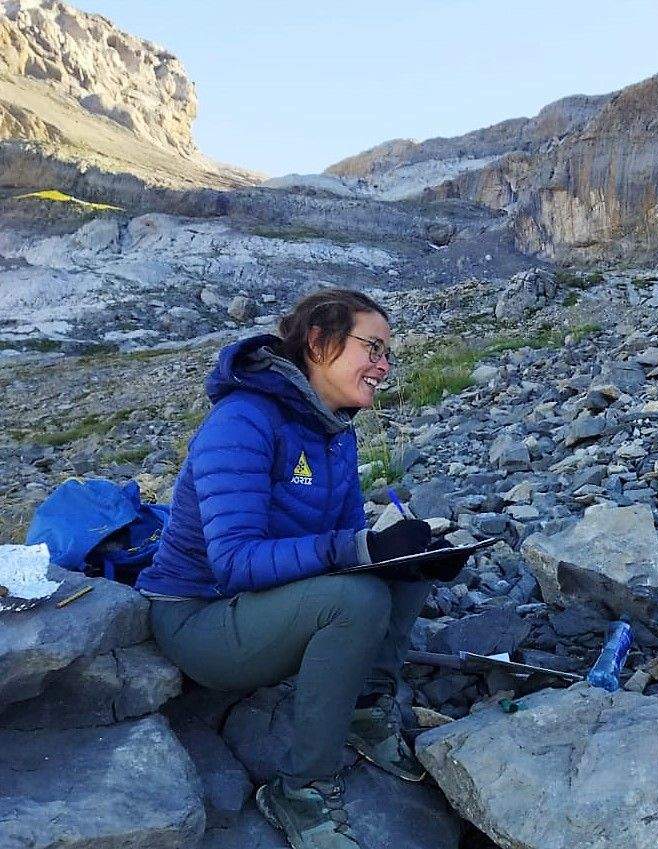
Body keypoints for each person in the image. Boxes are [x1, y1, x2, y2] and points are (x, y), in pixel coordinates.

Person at [136, 288, 434, 849]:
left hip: (264, 602)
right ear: (319, 343)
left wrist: (398, 550)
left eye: (387, 353)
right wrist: (356, 551)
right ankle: (297, 788)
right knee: (356, 601)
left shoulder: (334, 430)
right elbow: (234, 560)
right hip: (198, 616)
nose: (384, 365)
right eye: (373, 347)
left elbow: (351, 540)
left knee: (408, 565)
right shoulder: (243, 420)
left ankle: (367, 712)